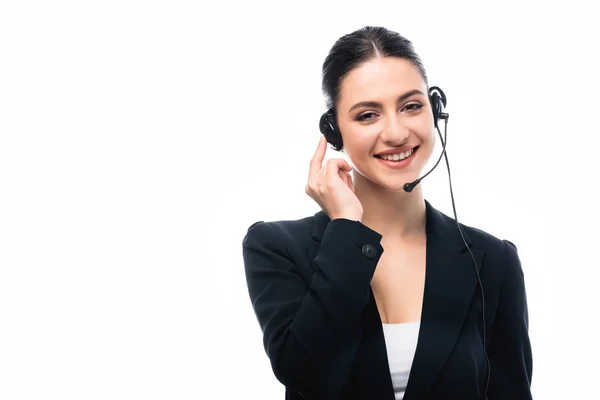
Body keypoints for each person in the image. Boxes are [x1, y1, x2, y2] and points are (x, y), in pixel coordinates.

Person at [242, 26, 532, 400]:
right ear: (334, 132)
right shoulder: (278, 247)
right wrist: (346, 227)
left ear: (436, 112)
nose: (395, 133)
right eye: (367, 115)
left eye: (411, 106)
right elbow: (309, 377)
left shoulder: (493, 260)